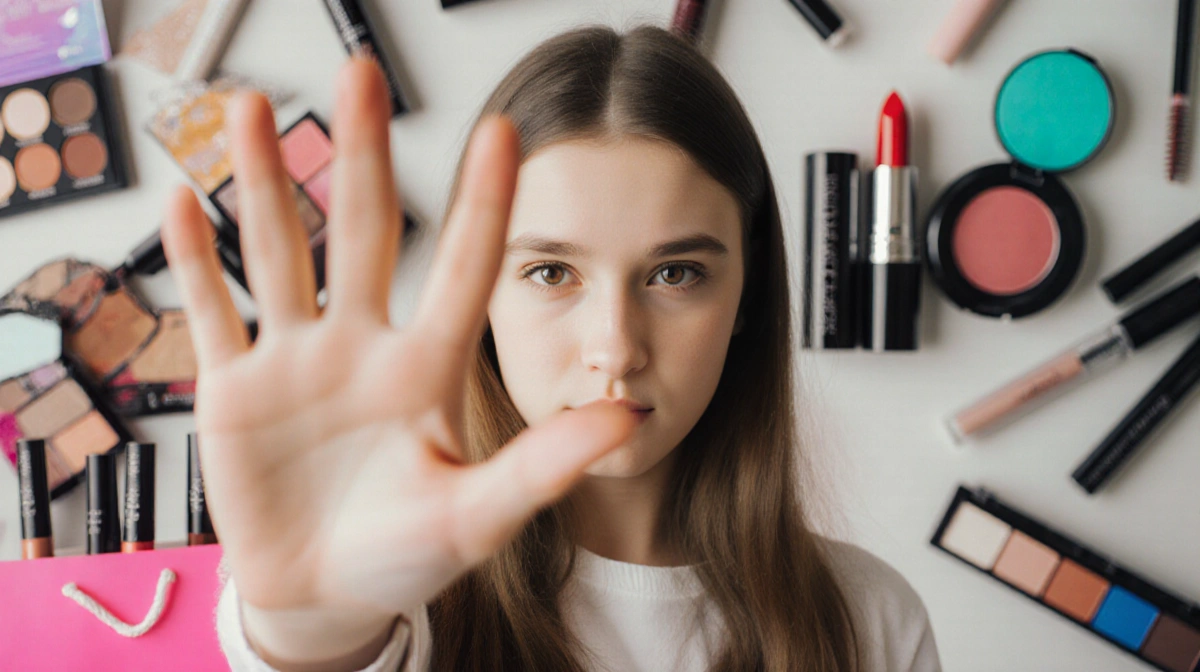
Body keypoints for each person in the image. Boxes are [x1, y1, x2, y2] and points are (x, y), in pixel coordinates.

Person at [162, 25, 940, 672]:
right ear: (481, 297)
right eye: (551, 271)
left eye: (675, 273)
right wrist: (311, 634)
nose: (616, 348)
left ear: (747, 297)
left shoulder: (868, 619)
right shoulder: (389, 593)